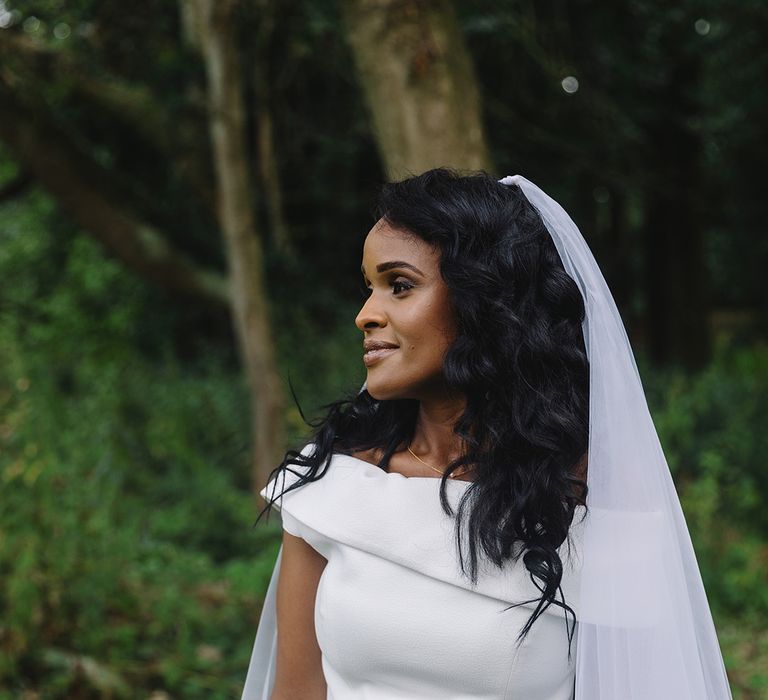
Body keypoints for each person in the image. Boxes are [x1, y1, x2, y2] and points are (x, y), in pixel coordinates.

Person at [241, 169, 733, 700]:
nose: (365, 315)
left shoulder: (593, 493)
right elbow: (294, 692)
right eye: (369, 288)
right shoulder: (336, 484)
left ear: (484, 300)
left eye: (399, 285)